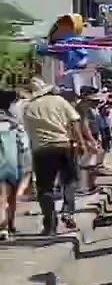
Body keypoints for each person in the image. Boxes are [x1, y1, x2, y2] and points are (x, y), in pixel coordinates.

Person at [22, 78, 94, 235]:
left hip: (41, 150)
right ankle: (68, 211)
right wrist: (81, 142)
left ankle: (50, 224)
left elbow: (28, 131)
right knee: (69, 181)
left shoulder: (29, 107)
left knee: (44, 188)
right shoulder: (59, 101)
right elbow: (74, 121)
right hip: (63, 145)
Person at [0, 89, 31, 240]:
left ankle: (3, 226)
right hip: (12, 164)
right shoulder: (14, 124)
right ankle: (9, 224)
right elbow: (24, 145)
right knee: (11, 196)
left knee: (0, 196)